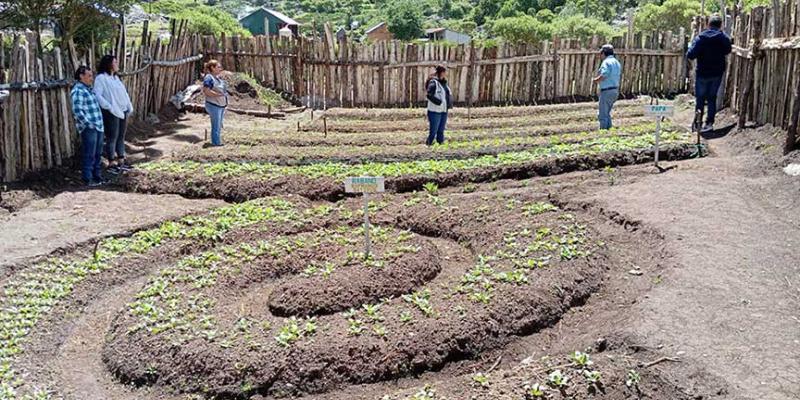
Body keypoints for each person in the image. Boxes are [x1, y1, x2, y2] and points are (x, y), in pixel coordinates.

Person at [687, 14, 732, 133]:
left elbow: (690, 55)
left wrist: (690, 48)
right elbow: (728, 50)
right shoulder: (723, 38)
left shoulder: (700, 38)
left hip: (702, 73)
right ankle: (709, 123)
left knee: (700, 99)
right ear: (720, 25)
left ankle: (697, 124)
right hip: (717, 73)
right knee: (712, 98)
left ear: (708, 25)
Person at [94, 54, 134, 175]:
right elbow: (98, 95)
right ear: (109, 64)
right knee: (112, 137)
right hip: (112, 112)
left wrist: (129, 105)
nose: (117, 64)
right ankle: (111, 162)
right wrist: (109, 107)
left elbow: (124, 93)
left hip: (122, 110)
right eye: (115, 62)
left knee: (121, 137)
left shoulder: (116, 78)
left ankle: (121, 161)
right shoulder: (101, 78)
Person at [70, 66, 105, 187]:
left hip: (98, 126)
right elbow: (77, 110)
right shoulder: (78, 90)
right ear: (81, 76)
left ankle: (97, 177)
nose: (92, 78)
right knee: (89, 153)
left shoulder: (88, 89)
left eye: (92, 76)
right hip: (90, 127)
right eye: (89, 76)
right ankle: (87, 179)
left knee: (97, 153)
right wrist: (88, 124)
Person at [593, 44, 622, 130]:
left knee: (602, 114)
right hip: (615, 91)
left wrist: (596, 80)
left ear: (603, 53)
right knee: (607, 113)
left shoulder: (606, 62)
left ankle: (603, 133)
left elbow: (604, 74)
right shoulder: (616, 62)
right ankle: (609, 131)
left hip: (606, 91)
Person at [202, 60, 228, 147]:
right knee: (216, 125)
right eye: (218, 67)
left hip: (220, 105)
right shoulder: (209, 78)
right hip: (214, 105)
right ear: (212, 68)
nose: (220, 69)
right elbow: (206, 91)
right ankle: (216, 143)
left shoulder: (217, 78)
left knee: (218, 124)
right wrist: (219, 95)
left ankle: (217, 141)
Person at [425, 65, 453, 146]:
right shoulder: (434, 83)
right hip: (435, 111)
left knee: (441, 130)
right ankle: (429, 144)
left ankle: (440, 144)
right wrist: (439, 102)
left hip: (444, 110)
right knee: (433, 130)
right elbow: (429, 95)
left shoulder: (444, 83)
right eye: (445, 72)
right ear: (441, 72)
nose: (446, 74)